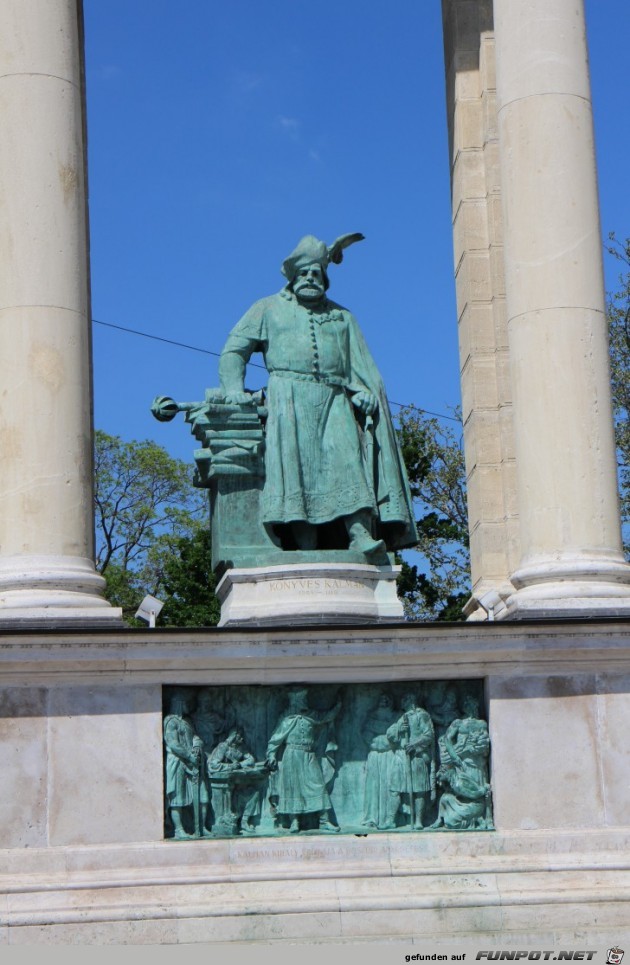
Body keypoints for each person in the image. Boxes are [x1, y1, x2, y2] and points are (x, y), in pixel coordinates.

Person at [218, 233, 416, 558]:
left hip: (334, 400)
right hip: (288, 399)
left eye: (317, 274)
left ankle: (360, 535)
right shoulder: (266, 309)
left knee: (348, 461)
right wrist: (233, 390)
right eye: (305, 273)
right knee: (297, 471)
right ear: (294, 277)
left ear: (325, 278)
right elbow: (234, 352)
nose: (311, 278)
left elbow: (360, 366)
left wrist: (364, 391)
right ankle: (304, 547)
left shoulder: (343, 317)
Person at [266, 687, 341, 833]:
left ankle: (324, 820)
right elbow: (276, 738)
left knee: (318, 785)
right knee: (293, 788)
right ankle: (295, 822)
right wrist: (271, 755)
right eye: (303, 700)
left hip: (308, 754)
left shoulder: (312, 715)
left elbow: (327, 716)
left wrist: (338, 704)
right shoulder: (287, 718)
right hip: (292, 755)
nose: (305, 702)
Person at [163, 690, 211, 839]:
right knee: (177, 797)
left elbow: (195, 737)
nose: (189, 706)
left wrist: (197, 745)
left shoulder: (187, 721)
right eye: (186, 703)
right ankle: (179, 830)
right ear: (179, 704)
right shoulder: (171, 722)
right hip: (178, 763)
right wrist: (189, 755)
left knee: (203, 796)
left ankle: (201, 827)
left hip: (193, 764)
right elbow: (173, 743)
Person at [387, 692, 436, 830]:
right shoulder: (401, 717)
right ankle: (391, 820)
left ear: (410, 700)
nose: (401, 702)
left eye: (403, 699)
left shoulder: (421, 715)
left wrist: (414, 744)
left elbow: (429, 735)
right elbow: (390, 735)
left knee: (419, 790)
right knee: (395, 789)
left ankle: (419, 821)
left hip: (417, 756)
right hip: (401, 757)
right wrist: (398, 729)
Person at [361, 692, 399, 830]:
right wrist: (379, 742)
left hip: (390, 756)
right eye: (382, 700)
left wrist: (384, 742)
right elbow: (367, 737)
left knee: (389, 785)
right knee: (373, 786)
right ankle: (372, 818)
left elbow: (396, 738)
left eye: (387, 699)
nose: (384, 702)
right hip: (375, 756)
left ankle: (387, 818)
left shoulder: (396, 718)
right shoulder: (372, 717)